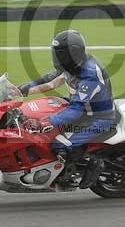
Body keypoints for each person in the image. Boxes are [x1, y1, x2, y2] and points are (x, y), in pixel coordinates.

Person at [19, 29, 115, 189]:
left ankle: (95, 163)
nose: (57, 58)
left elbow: (77, 110)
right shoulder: (71, 66)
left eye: (60, 54)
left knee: (58, 143)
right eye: (56, 53)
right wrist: (21, 90)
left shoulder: (89, 75)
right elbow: (50, 82)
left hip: (97, 117)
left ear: (72, 54)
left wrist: (46, 122)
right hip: (79, 107)